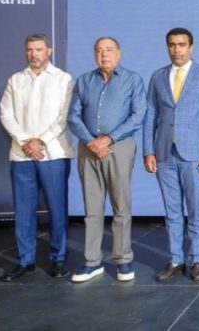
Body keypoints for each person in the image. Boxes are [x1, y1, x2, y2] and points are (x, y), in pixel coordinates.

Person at [67, 36, 146, 283]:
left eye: (109, 50)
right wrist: (92, 141)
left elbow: (138, 115)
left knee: (121, 206)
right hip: (88, 148)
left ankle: (123, 259)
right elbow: (73, 116)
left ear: (119, 53)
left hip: (118, 147)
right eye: (99, 50)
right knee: (92, 208)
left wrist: (108, 139)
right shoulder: (84, 81)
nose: (104, 54)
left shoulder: (132, 80)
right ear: (94, 55)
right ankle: (92, 262)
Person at [143, 28, 199, 282]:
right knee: (172, 211)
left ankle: (196, 259)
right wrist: (148, 150)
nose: (177, 49)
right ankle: (175, 259)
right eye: (172, 45)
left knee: (196, 209)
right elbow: (150, 115)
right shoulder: (157, 76)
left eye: (182, 44)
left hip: (194, 154)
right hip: (164, 153)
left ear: (191, 47)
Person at [0, 33, 75, 281]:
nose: (33, 54)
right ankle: (26, 260)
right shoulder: (16, 80)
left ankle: (58, 258)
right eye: (29, 49)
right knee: (23, 210)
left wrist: (39, 141)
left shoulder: (63, 79)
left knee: (57, 208)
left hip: (53, 153)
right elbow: (6, 114)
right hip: (22, 155)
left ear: (49, 51)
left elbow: (64, 117)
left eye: (38, 49)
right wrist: (25, 141)